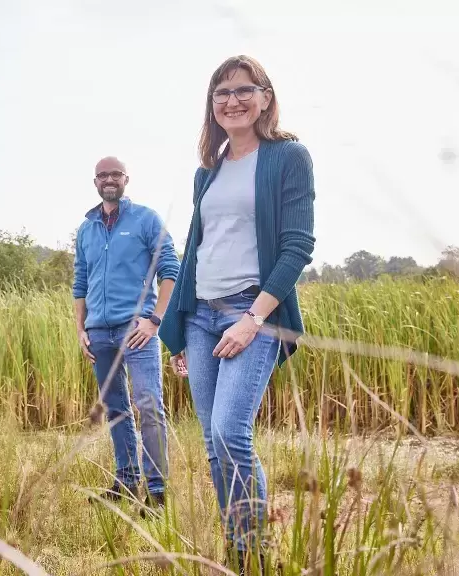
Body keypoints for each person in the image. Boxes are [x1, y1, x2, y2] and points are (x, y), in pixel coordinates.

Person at [158, 55, 316, 573]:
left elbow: (296, 247)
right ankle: (237, 551)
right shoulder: (208, 172)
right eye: (221, 93)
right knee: (211, 443)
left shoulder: (287, 157)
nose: (233, 100)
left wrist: (254, 318)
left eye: (245, 89)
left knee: (230, 432)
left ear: (266, 97)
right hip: (200, 314)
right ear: (212, 106)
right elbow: (194, 247)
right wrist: (177, 331)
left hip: (254, 311)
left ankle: (256, 555)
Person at [72, 155, 180, 514]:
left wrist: (155, 320)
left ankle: (158, 492)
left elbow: (170, 270)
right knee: (116, 409)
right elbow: (80, 284)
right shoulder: (86, 229)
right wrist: (80, 329)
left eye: (114, 174)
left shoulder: (146, 219)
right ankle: (126, 481)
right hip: (99, 333)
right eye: (102, 175)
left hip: (137, 331)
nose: (108, 179)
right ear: (95, 181)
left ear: (126, 179)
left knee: (148, 405)